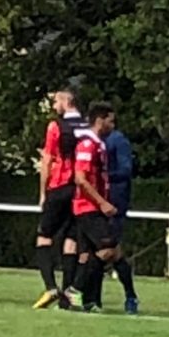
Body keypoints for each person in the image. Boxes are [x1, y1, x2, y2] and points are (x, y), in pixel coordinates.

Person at [33, 89, 87, 309]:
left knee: (44, 237)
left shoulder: (56, 127)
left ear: (66, 101)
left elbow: (47, 161)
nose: (55, 106)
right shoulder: (87, 128)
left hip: (59, 185)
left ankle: (50, 287)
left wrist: (43, 193)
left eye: (56, 101)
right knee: (71, 240)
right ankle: (68, 294)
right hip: (80, 190)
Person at [65, 102, 120, 312]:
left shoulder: (99, 144)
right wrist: (102, 202)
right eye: (110, 121)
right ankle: (75, 289)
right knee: (108, 250)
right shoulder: (87, 145)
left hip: (93, 207)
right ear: (100, 120)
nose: (113, 125)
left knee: (88, 254)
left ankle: (90, 300)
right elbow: (80, 178)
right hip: (87, 207)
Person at [105, 122, 140, 314]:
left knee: (112, 251)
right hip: (93, 200)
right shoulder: (90, 139)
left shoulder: (118, 141)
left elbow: (126, 170)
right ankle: (91, 299)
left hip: (114, 202)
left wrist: (103, 176)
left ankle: (130, 295)